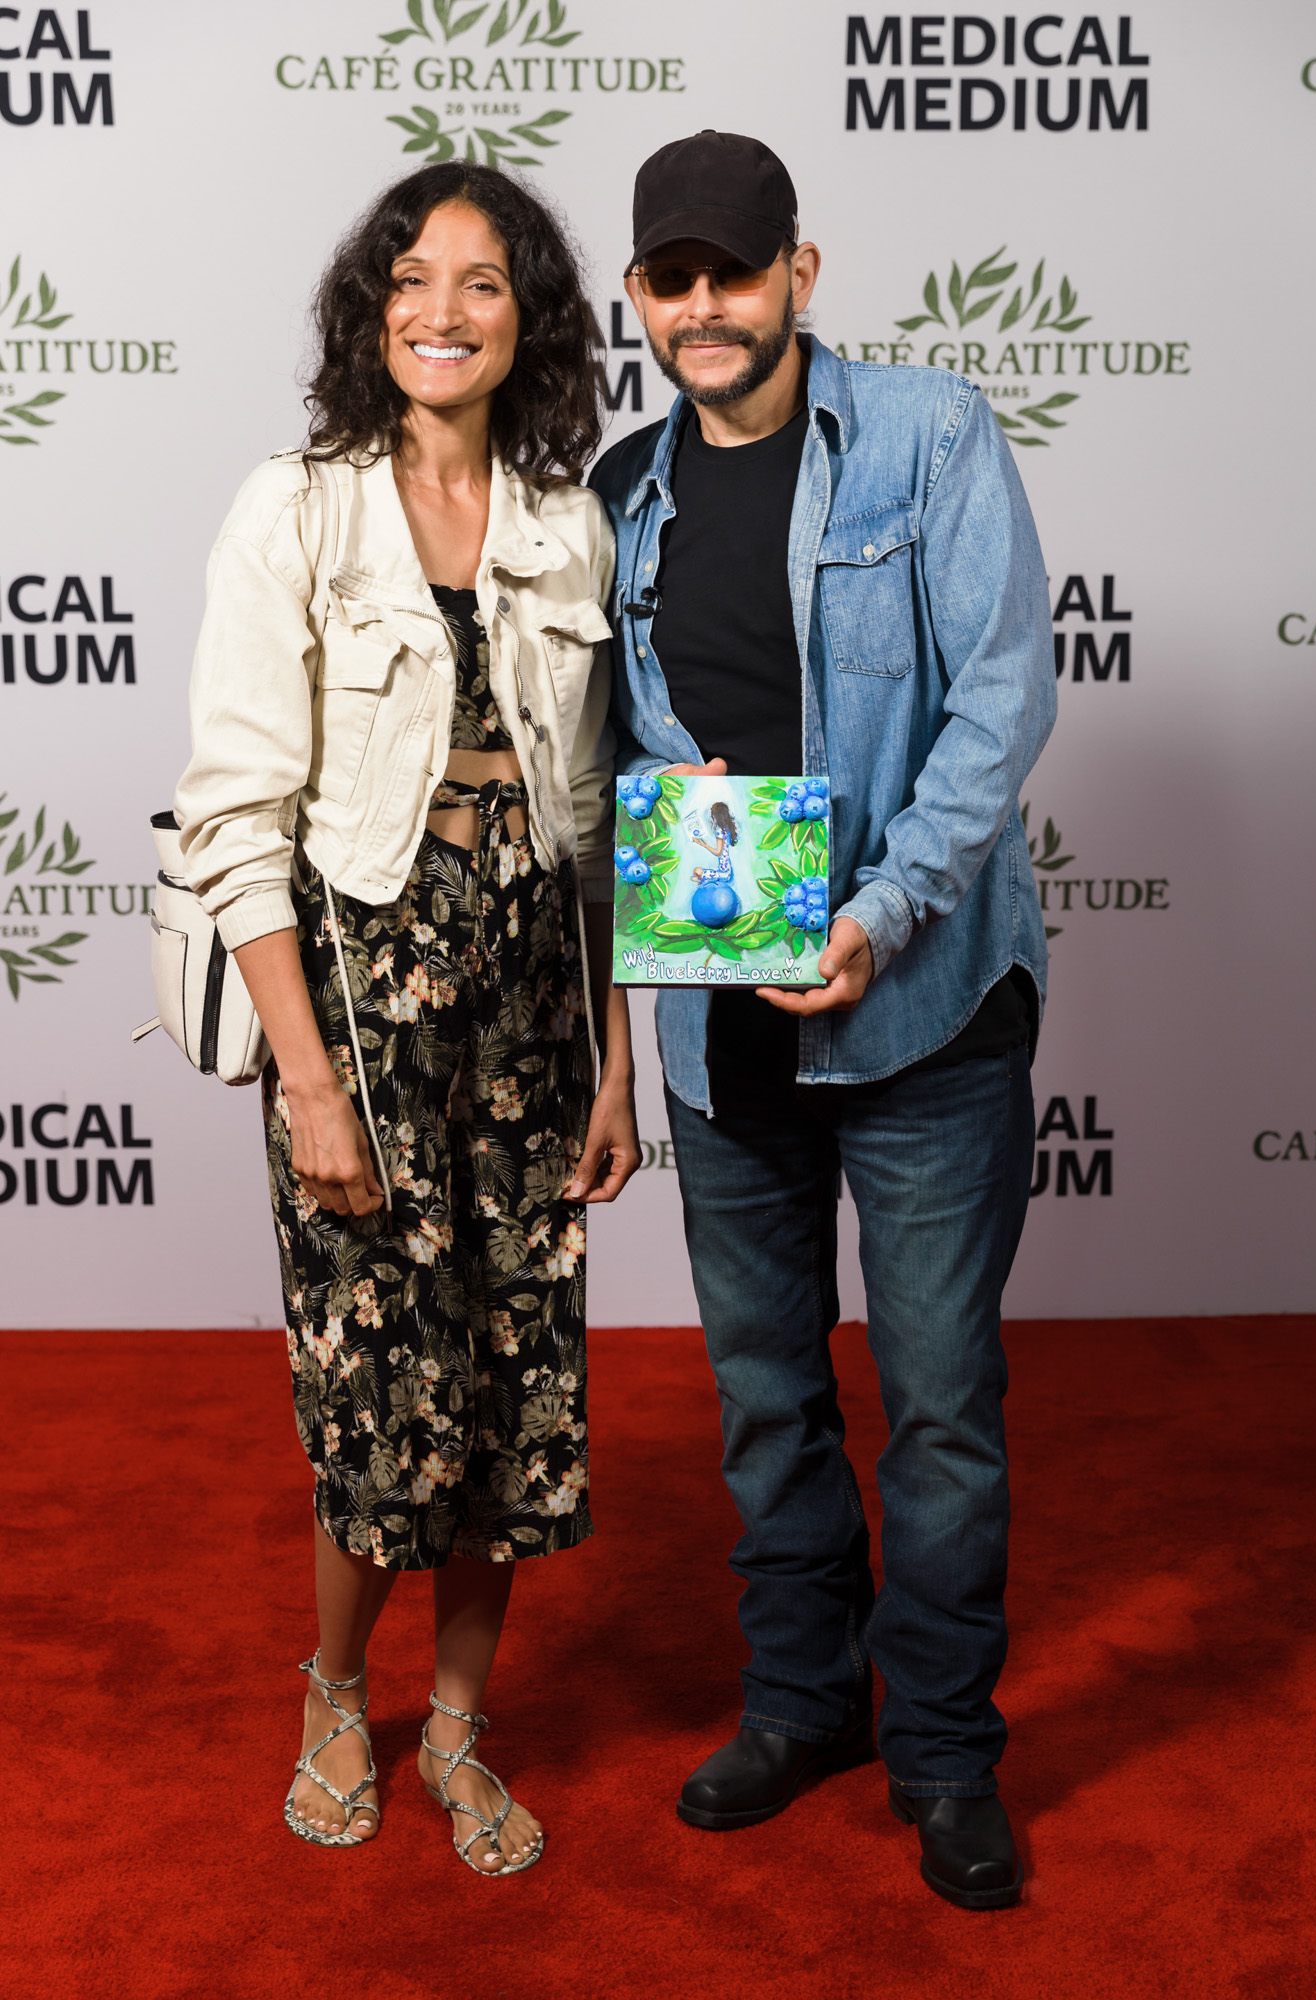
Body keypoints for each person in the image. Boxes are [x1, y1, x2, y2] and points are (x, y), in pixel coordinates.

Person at [590, 130, 1056, 1910]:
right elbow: (611, 755)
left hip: (921, 1007)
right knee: (767, 1400)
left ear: (800, 268)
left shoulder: (927, 436)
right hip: (721, 1034)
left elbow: (999, 697)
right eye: (672, 277)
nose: (704, 305)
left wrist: (877, 914)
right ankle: (802, 1704)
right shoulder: (622, 493)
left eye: (735, 268)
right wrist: (662, 800)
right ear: (640, 297)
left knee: (936, 1409)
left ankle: (940, 1751)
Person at [175, 163, 639, 1870]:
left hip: (532, 1001)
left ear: (531, 322)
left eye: (484, 283)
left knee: (517, 1385)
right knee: (384, 1388)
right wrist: (305, 1084)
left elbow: (601, 826)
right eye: (413, 280)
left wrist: (617, 1065)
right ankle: (332, 1694)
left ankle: (454, 1728)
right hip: (362, 1002)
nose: (445, 312)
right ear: (373, 312)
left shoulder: (566, 523)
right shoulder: (296, 509)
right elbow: (236, 819)